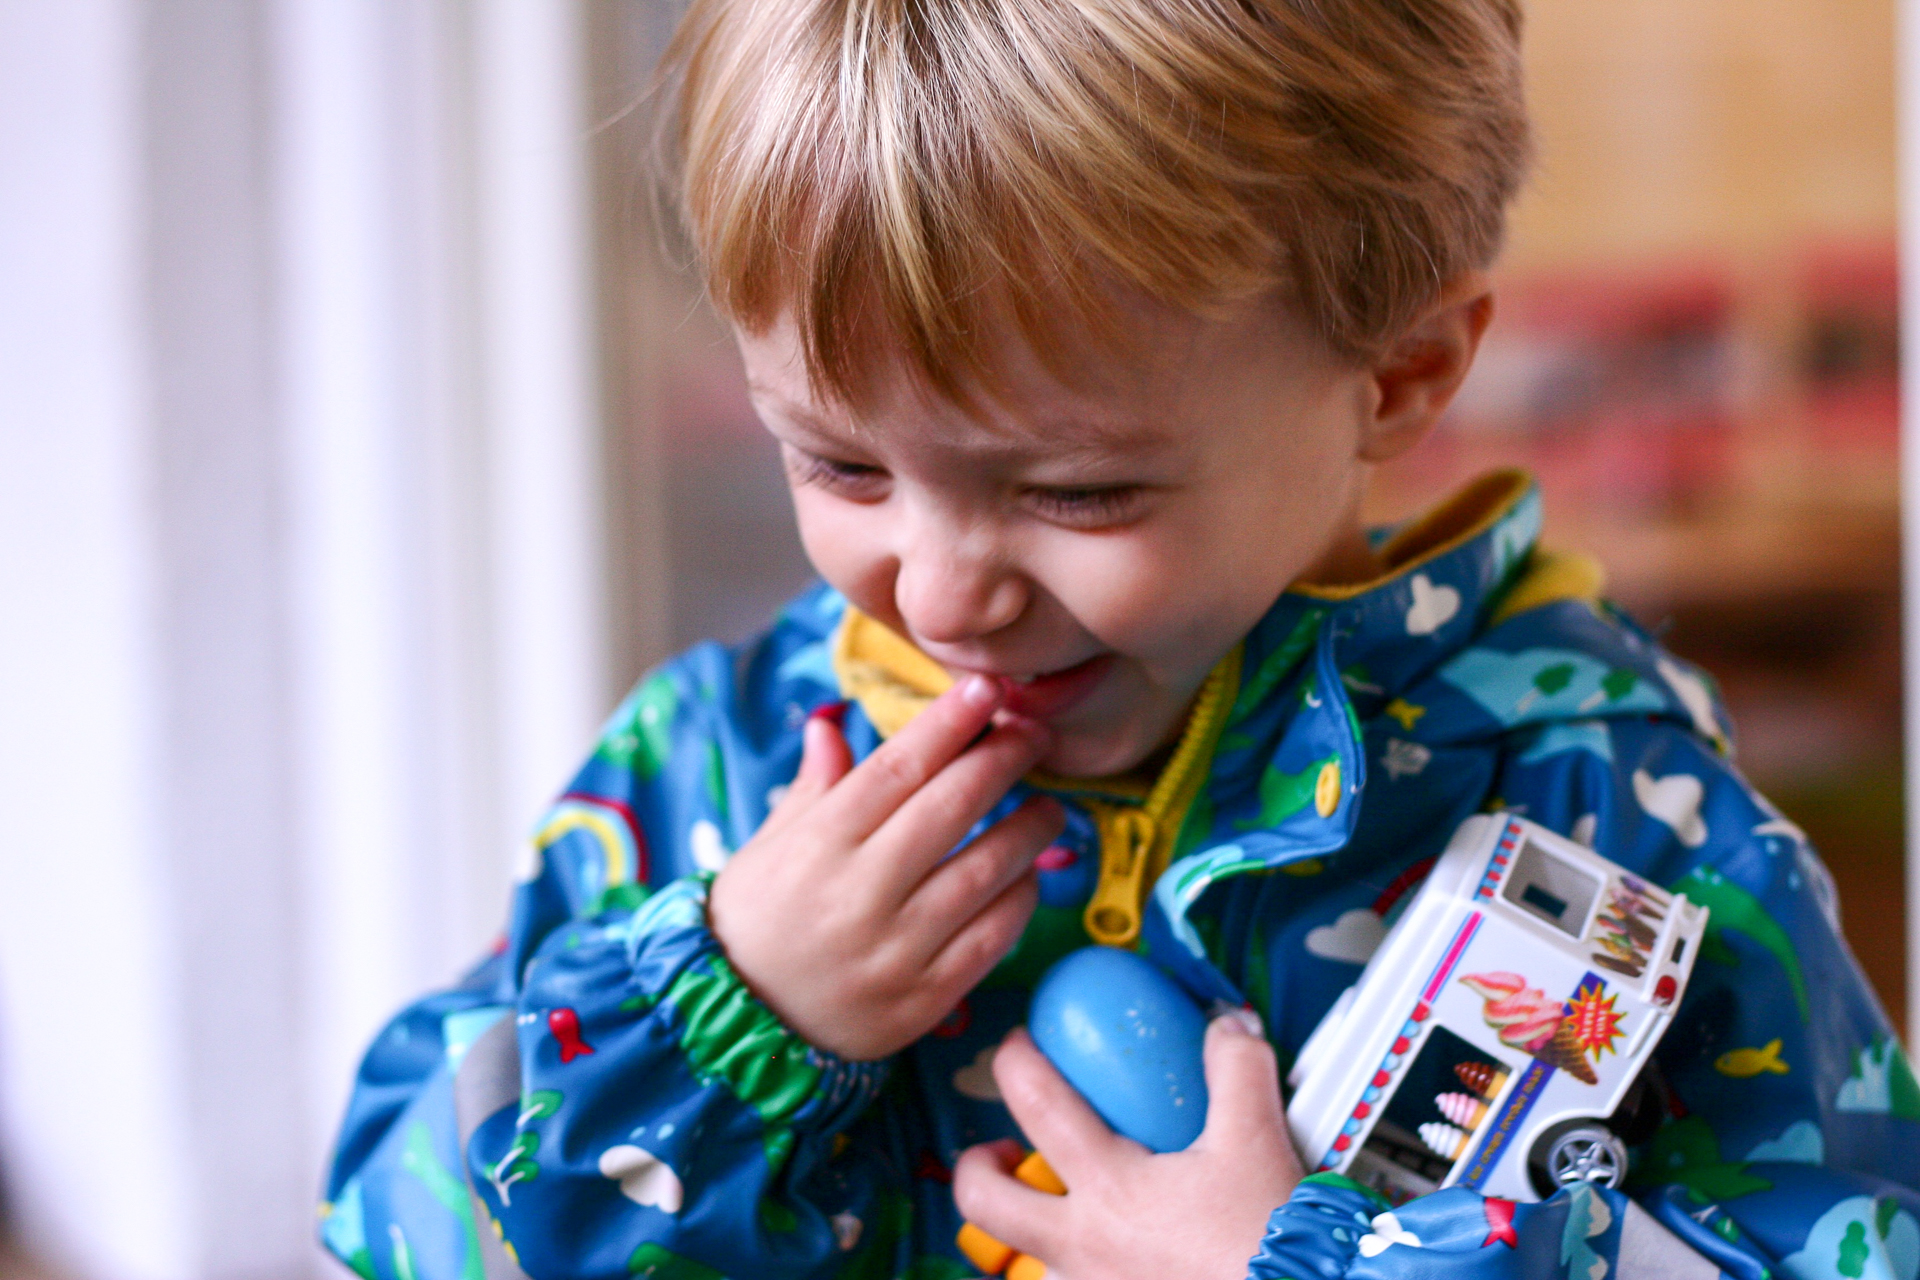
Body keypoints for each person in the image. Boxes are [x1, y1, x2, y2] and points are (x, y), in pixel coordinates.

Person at [319, 0, 1920, 1276]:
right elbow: (397, 1218)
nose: (940, 597)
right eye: (841, 466)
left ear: (1400, 375)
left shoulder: (1602, 813)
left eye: (1076, 491)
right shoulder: (720, 775)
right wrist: (724, 1019)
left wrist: (1311, 1264)